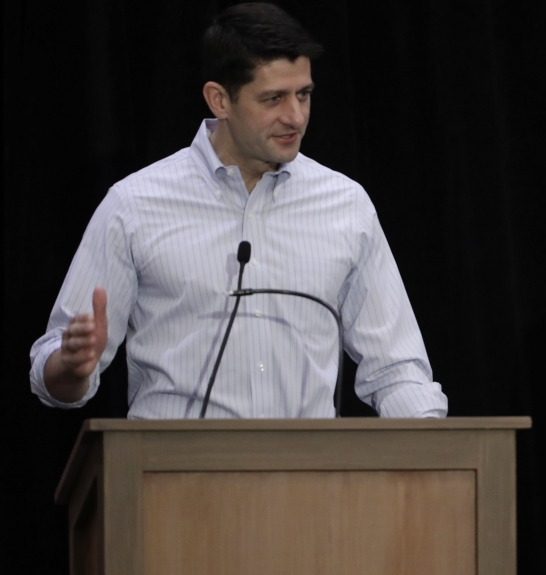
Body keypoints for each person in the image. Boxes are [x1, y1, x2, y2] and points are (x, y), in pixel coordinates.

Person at [29, 3, 447, 419]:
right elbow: (55, 372)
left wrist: (440, 452)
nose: (296, 117)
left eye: (303, 94)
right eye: (273, 98)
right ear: (219, 100)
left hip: (309, 479)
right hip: (173, 476)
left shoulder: (346, 204)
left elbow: (397, 370)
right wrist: (70, 367)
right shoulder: (134, 204)